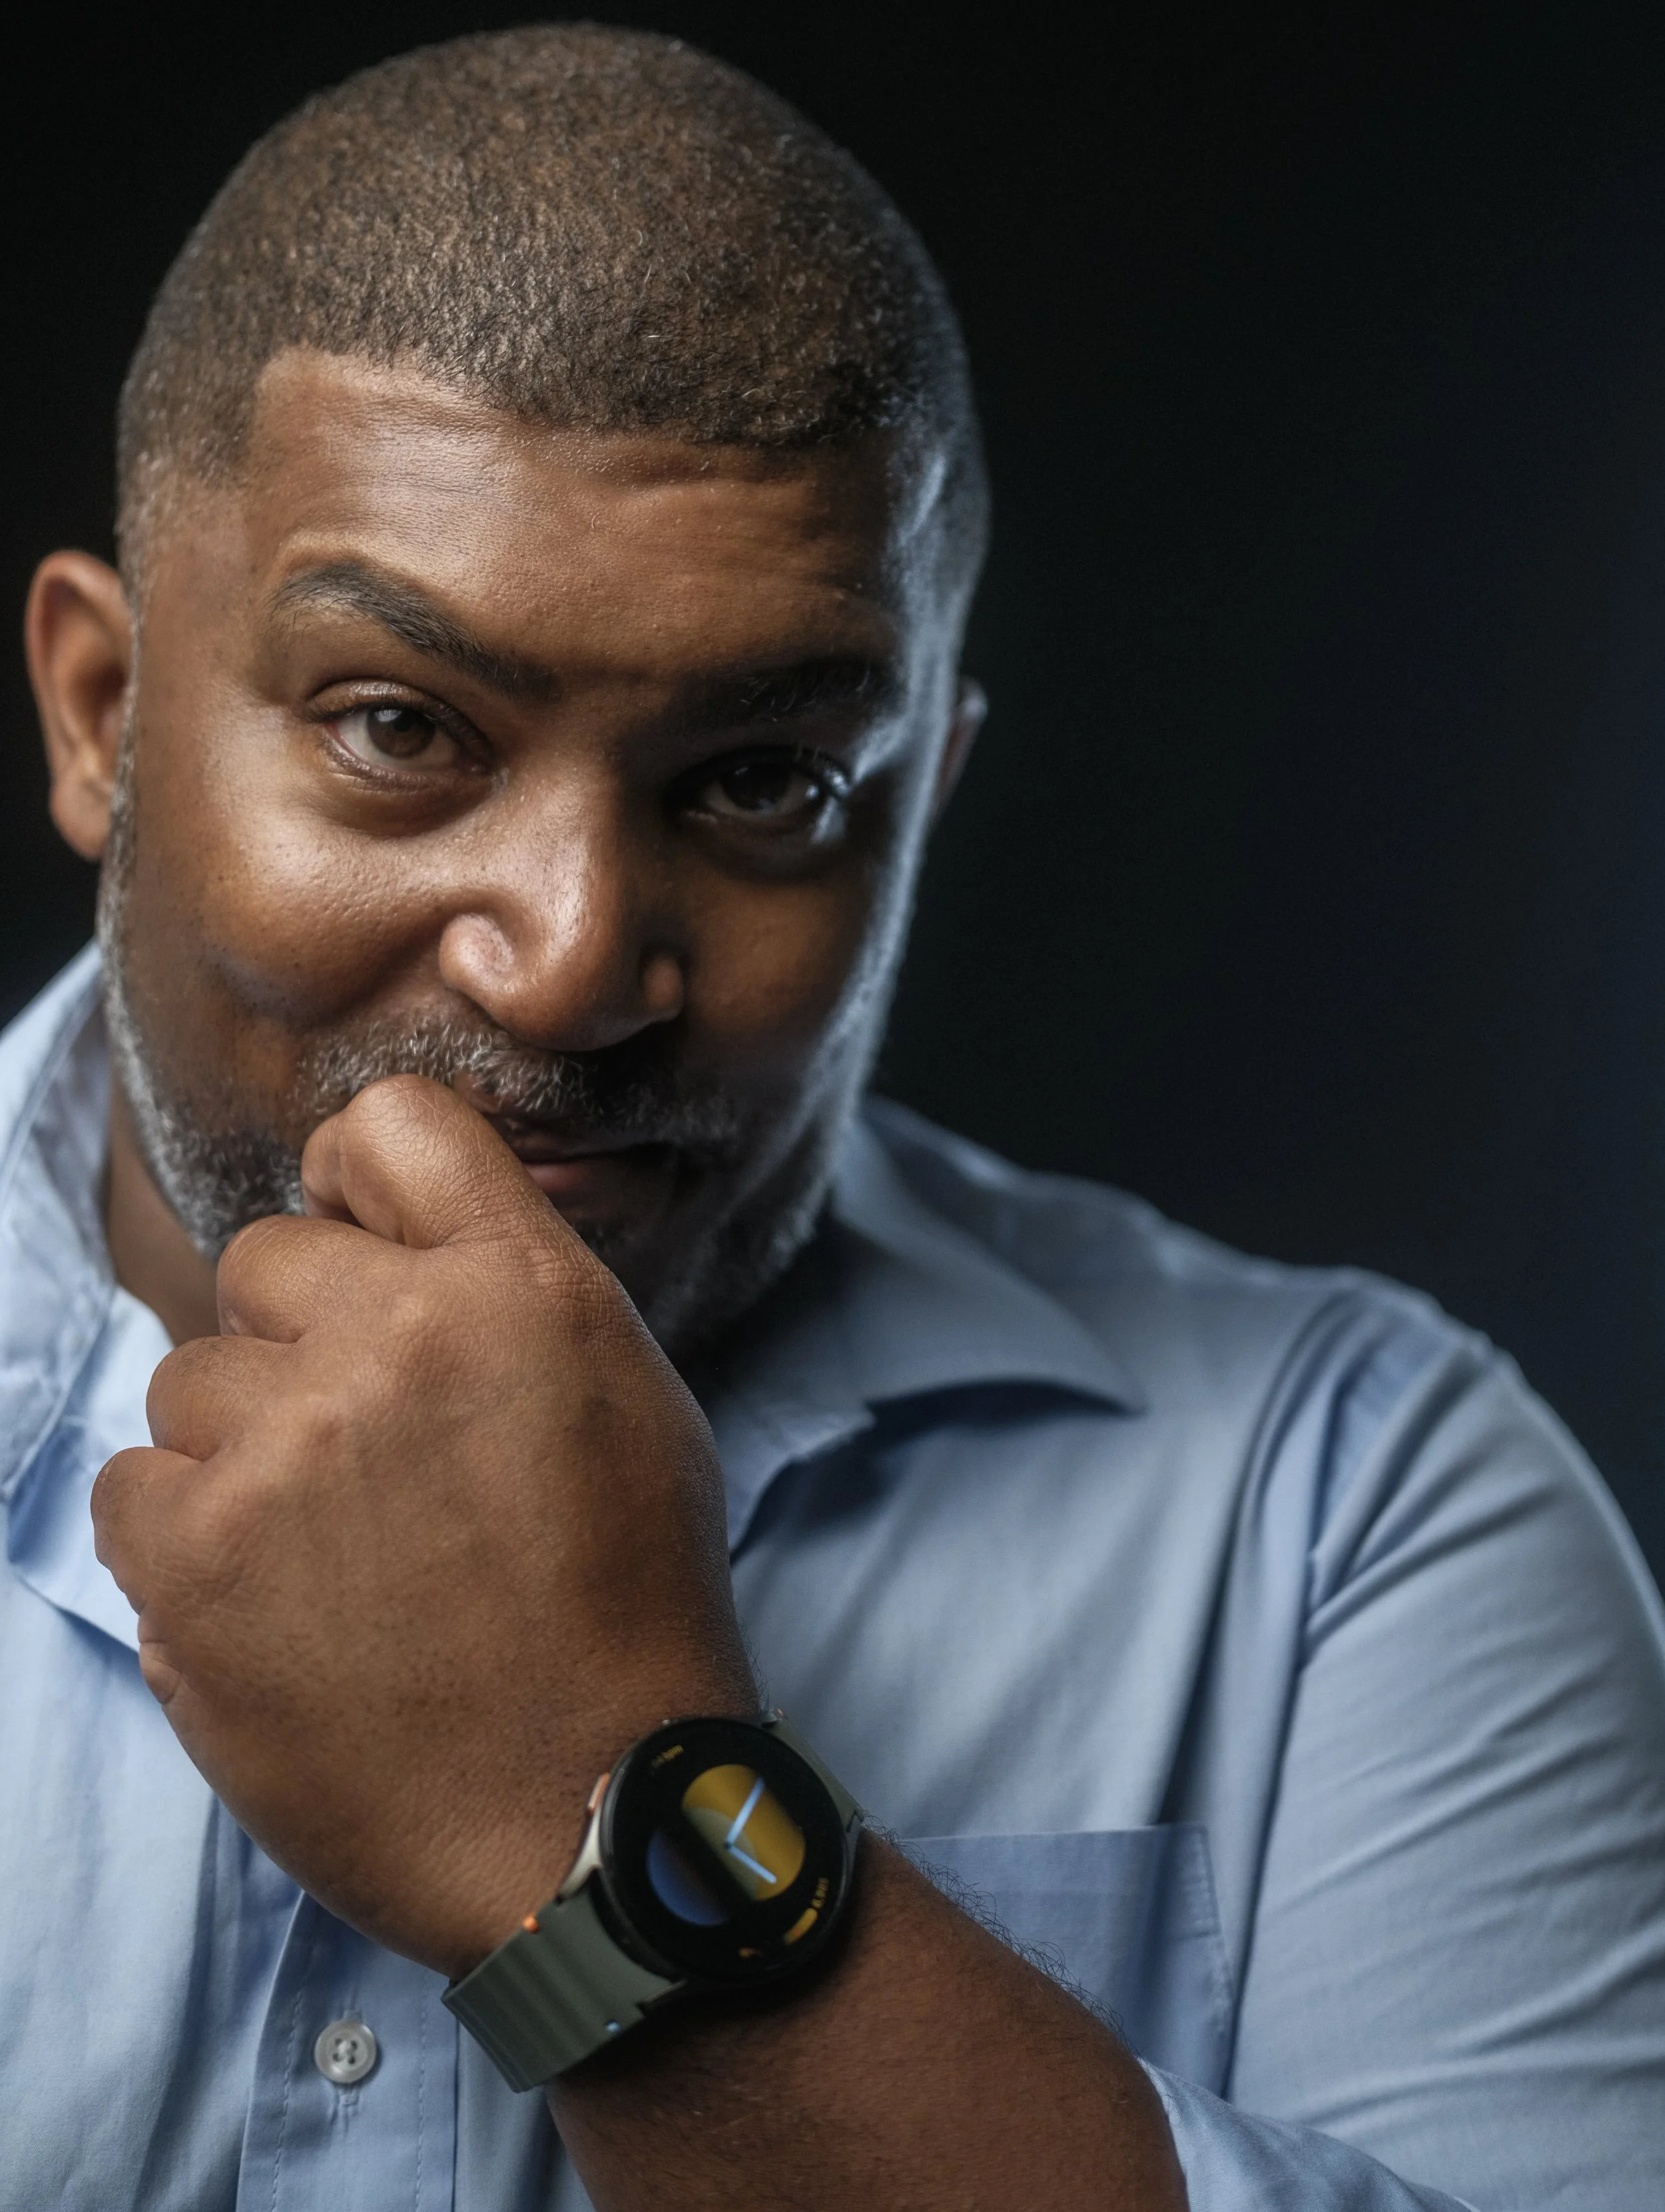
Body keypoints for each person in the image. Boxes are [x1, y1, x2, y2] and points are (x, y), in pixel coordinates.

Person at [4, 24, 1662, 2211]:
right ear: (104, 716)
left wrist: (597, 1803)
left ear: (920, 800)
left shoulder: (1347, 1512)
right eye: (399, 726)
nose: (570, 963)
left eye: (764, 780)